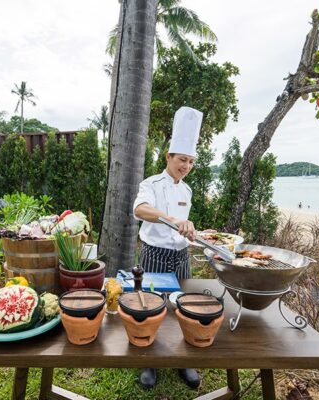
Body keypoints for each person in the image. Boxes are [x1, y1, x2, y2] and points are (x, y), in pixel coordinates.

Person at [132, 106, 203, 390]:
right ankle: (149, 361)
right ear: (168, 157)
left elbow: (184, 228)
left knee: (180, 308)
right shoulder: (151, 183)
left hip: (180, 256)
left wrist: (192, 231)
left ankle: (182, 359)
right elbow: (140, 209)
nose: (186, 166)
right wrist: (172, 219)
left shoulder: (187, 190)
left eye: (190, 161)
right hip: (155, 254)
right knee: (151, 308)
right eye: (182, 160)